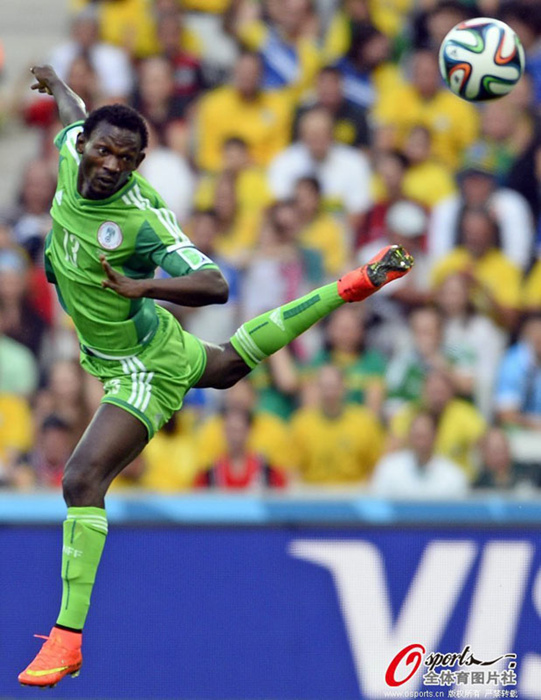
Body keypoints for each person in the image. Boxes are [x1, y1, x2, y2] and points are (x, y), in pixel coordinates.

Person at [18, 64, 413, 688]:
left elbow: (214, 283)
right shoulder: (71, 149)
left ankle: (66, 639)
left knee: (81, 479)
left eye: (126, 159)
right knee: (225, 365)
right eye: (103, 151)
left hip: (140, 364)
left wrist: (143, 285)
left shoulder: (142, 221)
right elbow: (74, 113)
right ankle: (347, 287)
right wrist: (58, 83)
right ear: (84, 144)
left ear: (140, 164)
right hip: (128, 345)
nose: (111, 166)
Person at [371, 411, 468, 498]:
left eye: (425, 436)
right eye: (417, 436)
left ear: (436, 437)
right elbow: (378, 505)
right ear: (409, 436)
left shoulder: (453, 476)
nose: (421, 443)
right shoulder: (389, 468)